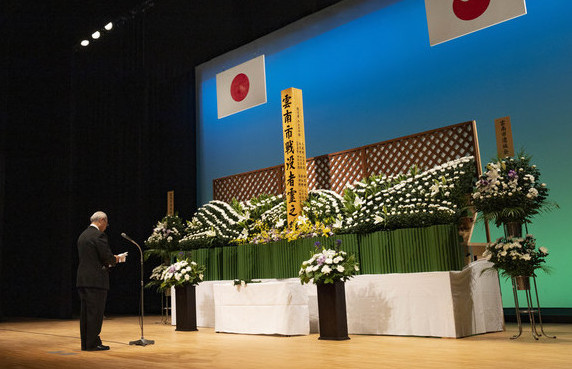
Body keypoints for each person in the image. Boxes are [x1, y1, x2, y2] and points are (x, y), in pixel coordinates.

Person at [76, 211, 121, 351]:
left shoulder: (83, 235)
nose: (106, 227)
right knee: (95, 313)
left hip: (83, 279)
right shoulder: (98, 235)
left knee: (85, 313)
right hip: (96, 280)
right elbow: (106, 257)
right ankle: (93, 343)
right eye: (106, 223)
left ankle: (86, 343)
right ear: (102, 220)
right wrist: (116, 259)